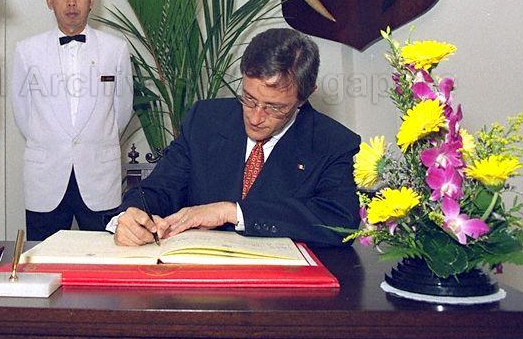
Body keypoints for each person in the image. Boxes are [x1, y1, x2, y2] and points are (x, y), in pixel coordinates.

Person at [112, 28, 360, 247]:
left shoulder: (334, 142)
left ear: (304, 97)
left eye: (274, 107)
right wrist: (132, 215)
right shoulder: (205, 120)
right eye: (249, 99)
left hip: (278, 282)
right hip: (202, 275)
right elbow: (160, 187)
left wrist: (233, 212)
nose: (256, 117)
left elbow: (339, 221)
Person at [11, 0, 133, 241]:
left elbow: (122, 110)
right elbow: (23, 113)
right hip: (46, 177)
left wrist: (94, 139)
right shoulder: (27, 51)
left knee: (103, 255)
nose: (71, 2)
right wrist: (53, 139)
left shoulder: (115, 49)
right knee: (44, 256)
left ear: (91, 0)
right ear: (49, 1)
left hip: (100, 175)